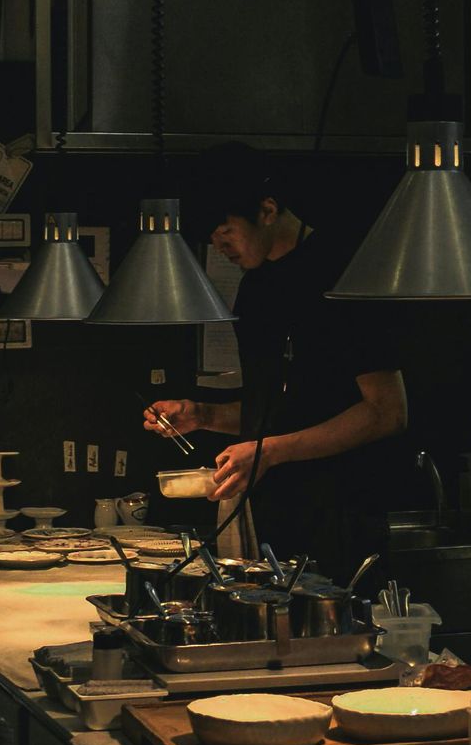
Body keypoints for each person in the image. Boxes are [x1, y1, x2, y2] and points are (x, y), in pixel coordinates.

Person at [142, 146, 408, 576]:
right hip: (272, 520)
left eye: (225, 229)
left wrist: (268, 452)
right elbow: (271, 413)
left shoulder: (345, 276)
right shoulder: (256, 289)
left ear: (267, 210)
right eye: (211, 236)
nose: (218, 244)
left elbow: (387, 412)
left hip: (342, 516)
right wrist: (202, 413)